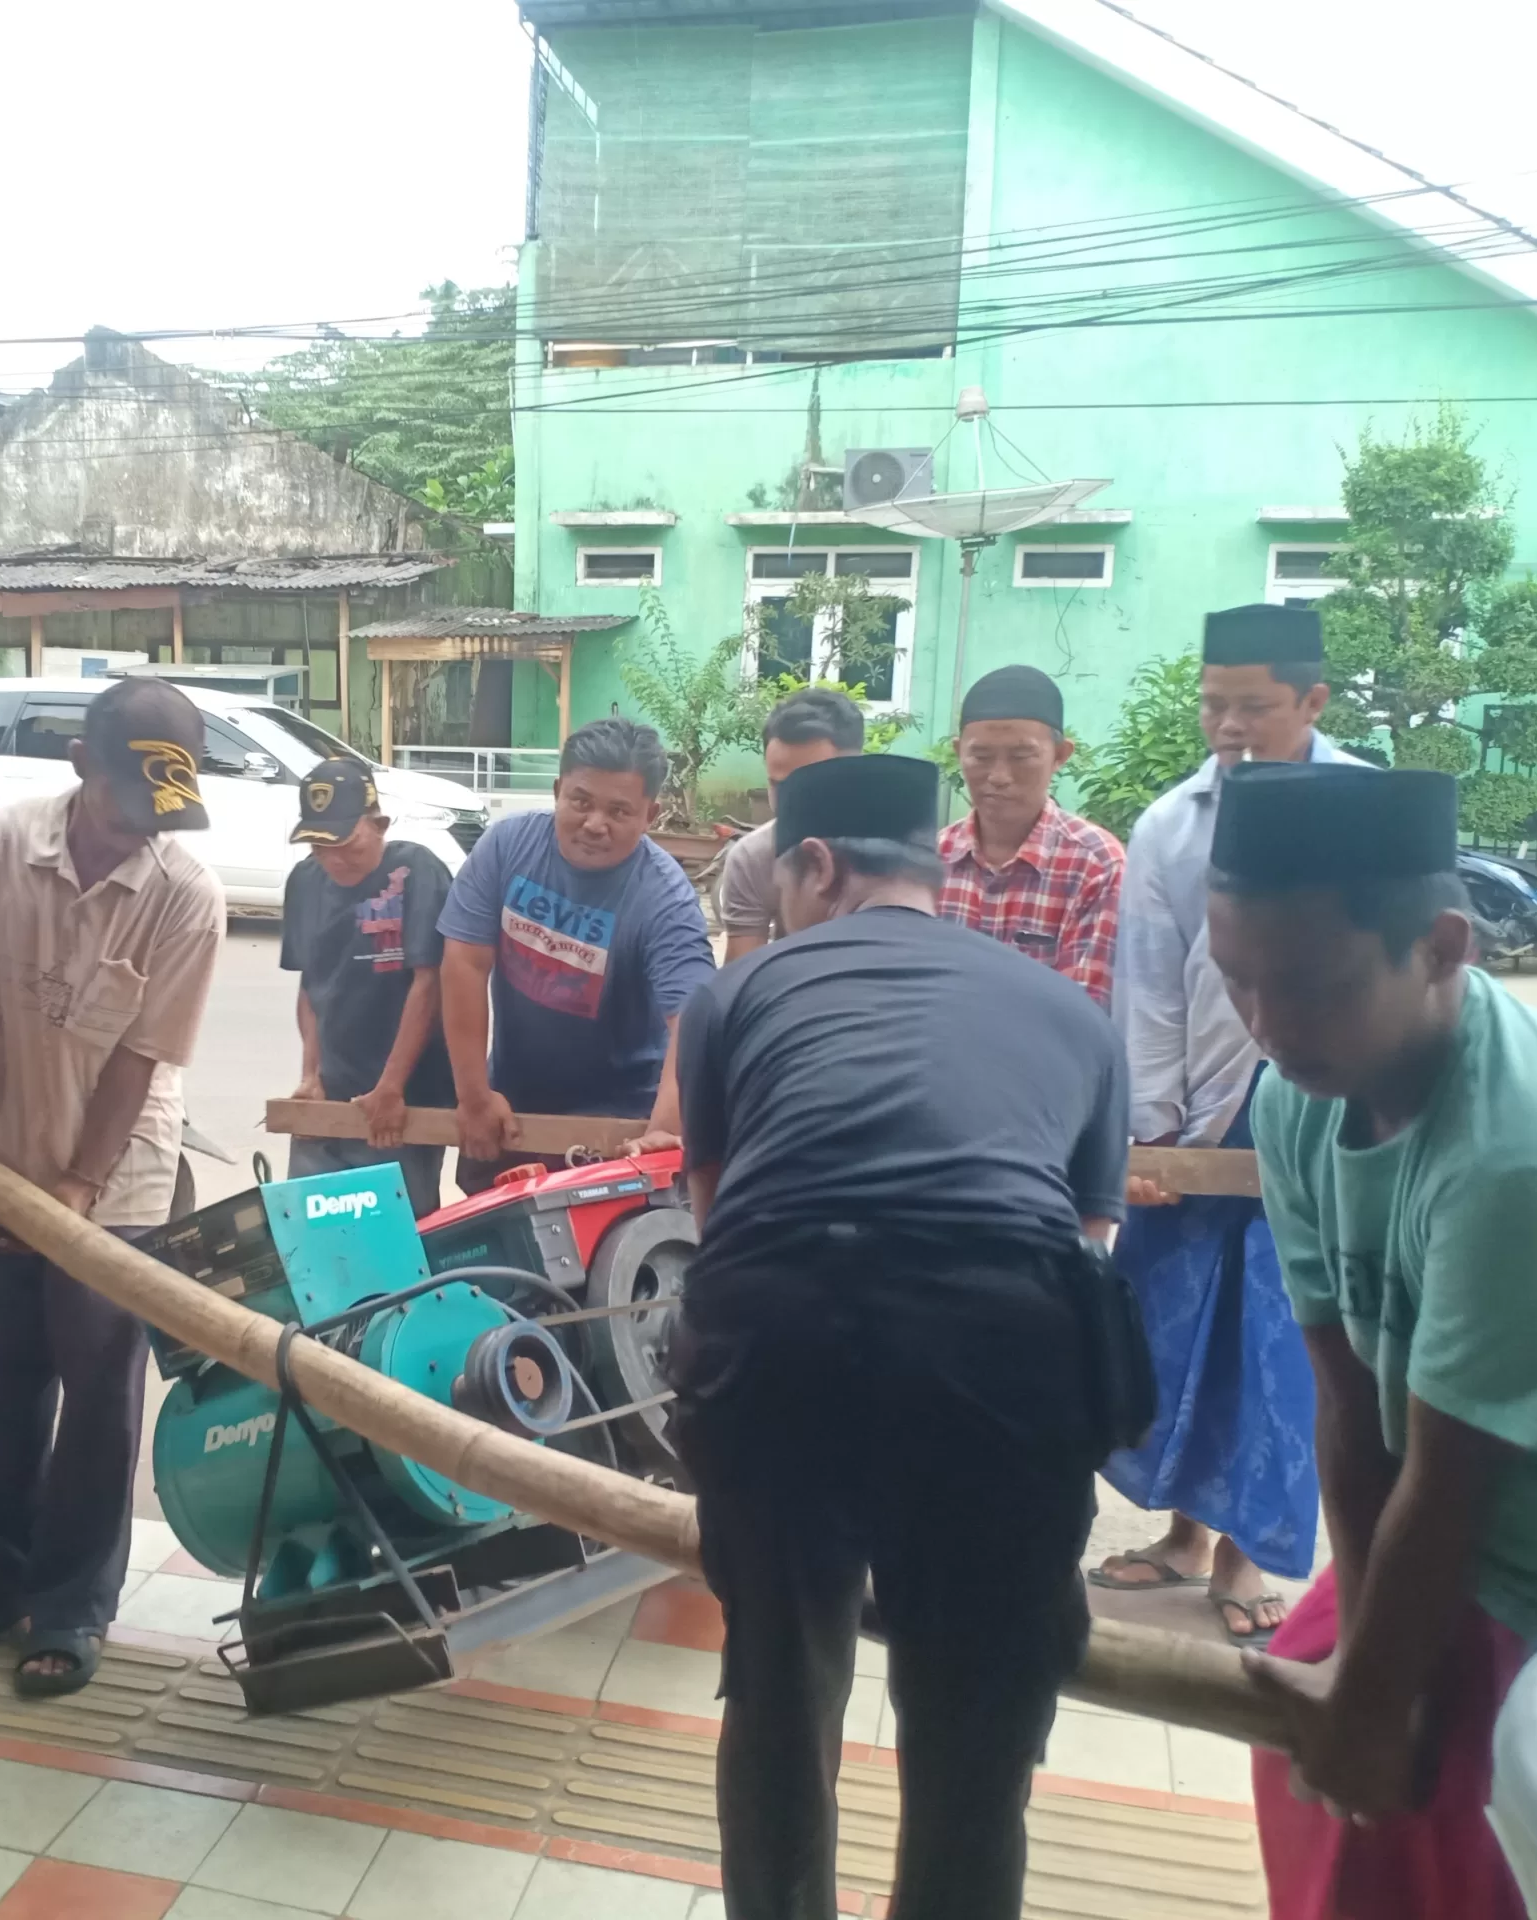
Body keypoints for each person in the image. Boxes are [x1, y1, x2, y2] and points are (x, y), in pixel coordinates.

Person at [1199, 761, 1537, 1919]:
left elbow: (1448, 1488)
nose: (1269, 1025)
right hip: (1486, 1532)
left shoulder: (1531, 1163)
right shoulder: (1300, 1092)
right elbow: (1347, 1404)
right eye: (1237, 982)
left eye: (1309, 985)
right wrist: (1362, 1667)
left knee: (1473, 1842)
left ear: (1445, 945)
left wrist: (1382, 1700)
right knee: (1326, 1764)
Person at [672, 753, 1130, 1920]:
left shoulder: (738, 994)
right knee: (973, 1743)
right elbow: (1084, 1247)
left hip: (782, 1336)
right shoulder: (1071, 1017)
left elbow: (720, 1222)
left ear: (814, 866)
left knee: (780, 1690)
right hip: (1005, 1353)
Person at [0, 676, 225, 1696]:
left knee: (96, 1397)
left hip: (119, 1179)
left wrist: (83, 1191)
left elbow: (137, 1064)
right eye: (127, 807)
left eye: (159, 818)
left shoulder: (186, 896)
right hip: (2, 1157)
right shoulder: (6, 844)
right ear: (81, 767)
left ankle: (72, 1607)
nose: (140, 834)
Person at [1096, 603, 1364, 1642]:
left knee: (1276, 1333)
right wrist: (1151, 1132)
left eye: (1253, 705)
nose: (1230, 725)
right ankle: (1181, 1535)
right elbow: (1148, 991)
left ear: (1311, 702)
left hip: (1316, 1105)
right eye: (1214, 704)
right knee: (1177, 1322)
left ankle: (1246, 1554)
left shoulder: (1362, 809)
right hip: (1200, 1105)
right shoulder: (1171, 825)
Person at [438, 715, 715, 1187]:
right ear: (556, 791)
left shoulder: (664, 898)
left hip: (620, 1117)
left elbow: (695, 1022)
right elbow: (464, 962)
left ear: (651, 815)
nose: (594, 824)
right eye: (580, 801)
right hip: (510, 1101)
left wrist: (665, 1129)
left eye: (619, 811)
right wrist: (474, 1095)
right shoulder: (506, 847)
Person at [281, 757, 455, 1216]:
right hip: (334, 1093)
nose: (333, 858)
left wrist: (391, 1087)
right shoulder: (304, 881)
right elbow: (310, 986)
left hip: (408, 1100)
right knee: (308, 1229)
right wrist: (311, 1077)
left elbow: (429, 983)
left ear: (378, 824)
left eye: (346, 844)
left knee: (397, 1235)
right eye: (319, 845)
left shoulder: (416, 871)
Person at [937, 664, 1122, 1006]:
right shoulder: (930, 860)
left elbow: (1084, 1010)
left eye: (1022, 757)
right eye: (981, 756)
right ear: (958, 751)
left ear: (1060, 755)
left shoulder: (1096, 867)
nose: (999, 776)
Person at [716, 686, 867, 962]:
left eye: (808, 786)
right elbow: (742, 978)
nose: (790, 803)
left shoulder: (897, 859)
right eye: (778, 786)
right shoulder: (755, 858)